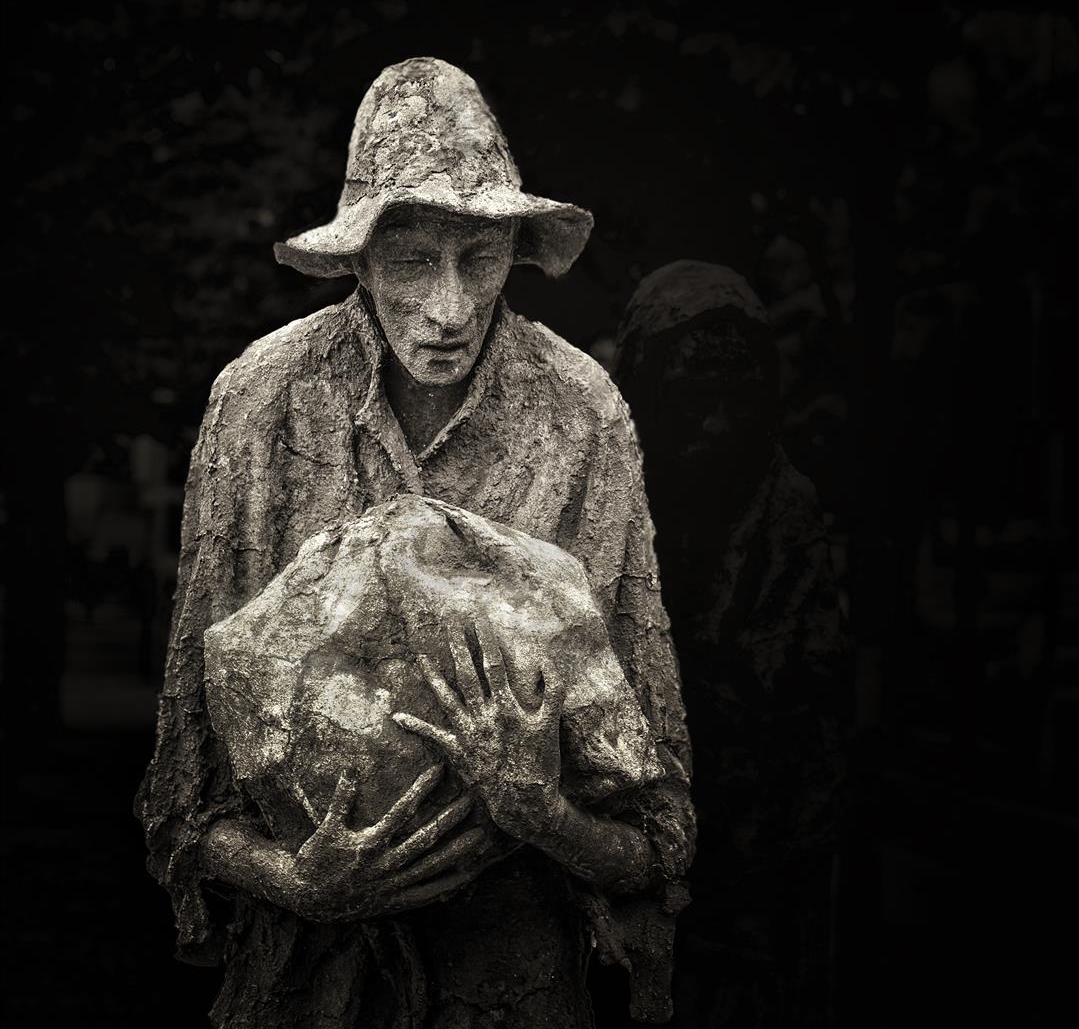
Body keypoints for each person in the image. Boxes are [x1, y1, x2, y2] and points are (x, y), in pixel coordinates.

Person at [135, 57, 695, 1029]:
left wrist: (545, 816)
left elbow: (660, 830)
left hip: (514, 985)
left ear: (515, 252)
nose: (449, 306)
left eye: (478, 259)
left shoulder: (580, 419)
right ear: (357, 260)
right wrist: (299, 882)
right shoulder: (263, 407)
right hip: (304, 986)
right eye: (411, 260)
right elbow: (182, 804)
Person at [613, 261, 846, 1028]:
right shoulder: (606, 495)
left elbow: (801, 703)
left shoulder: (787, 513)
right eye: (691, 400)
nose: (715, 426)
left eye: (734, 399)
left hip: (760, 853)